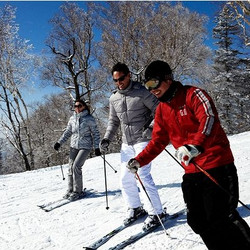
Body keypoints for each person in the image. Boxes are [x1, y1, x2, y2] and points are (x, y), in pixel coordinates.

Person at [127, 60, 250, 249]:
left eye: (153, 83)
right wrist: (139, 160)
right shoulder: (161, 110)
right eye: (147, 86)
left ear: (168, 78)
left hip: (216, 165)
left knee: (222, 216)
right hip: (192, 171)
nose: (151, 89)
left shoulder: (193, 95)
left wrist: (196, 146)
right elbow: (158, 141)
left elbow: (208, 119)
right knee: (198, 220)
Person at [99, 62, 165, 229]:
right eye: (115, 80)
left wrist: (151, 128)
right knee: (125, 178)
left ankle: (157, 213)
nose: (119, 82)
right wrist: (107, 138)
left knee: (142, 175)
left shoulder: (142, 92)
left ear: (128, 75)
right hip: (126, 143)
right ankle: (135, 208)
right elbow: (113, 122)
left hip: (143, 139)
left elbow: (160, 110)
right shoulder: (114, 98)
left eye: (121, 78)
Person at [54, 99, 101, 201]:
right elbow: (68, 132)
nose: (77, 108)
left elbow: (96, 133)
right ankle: (70, 190)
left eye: (79, 106)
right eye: (75, 106)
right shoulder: (72, 118)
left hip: (85, 146)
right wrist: (59, 142)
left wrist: (97, 147)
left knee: (76, 166)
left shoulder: (89, 118)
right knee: (70, 167)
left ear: (84, 106)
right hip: (74, 146)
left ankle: (78, 191)